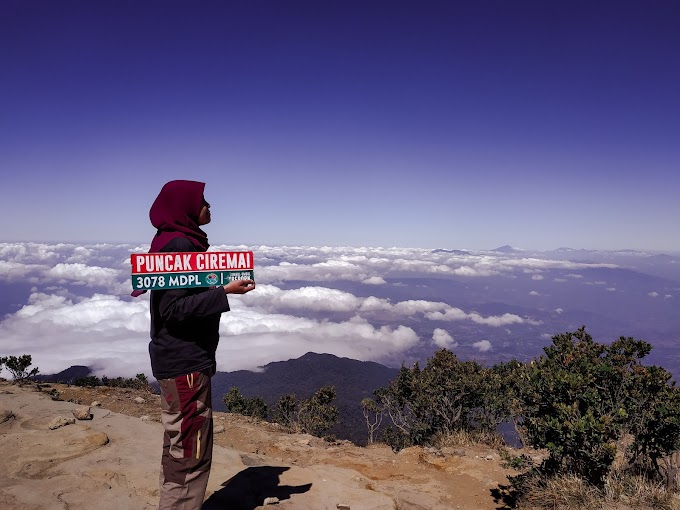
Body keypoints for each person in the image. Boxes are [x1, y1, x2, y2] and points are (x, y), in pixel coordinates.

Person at [135, 180, 255, 510]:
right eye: (203, 200)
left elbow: (180, 298)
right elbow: (173, 311)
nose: (209, 205)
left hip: (177, 361)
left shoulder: (172, 241)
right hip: (184, 364)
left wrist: (219, 284)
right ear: (186, 207)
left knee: (181, 443)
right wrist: (224, 292)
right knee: (191, 449)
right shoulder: (179, 245)